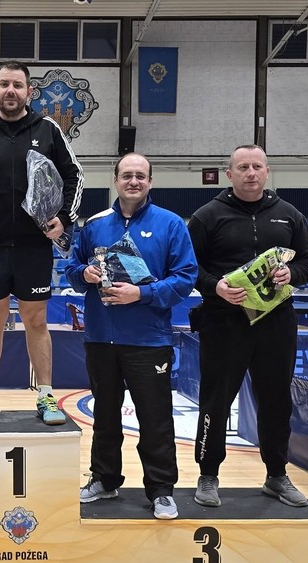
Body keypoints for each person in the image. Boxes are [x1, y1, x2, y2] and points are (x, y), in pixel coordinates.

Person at [65, 153, 197, 520]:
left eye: (140, 176)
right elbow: (72, 269)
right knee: (105, 416)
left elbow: (185, 277)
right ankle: (104, 480)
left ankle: (161, 490)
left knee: (155, 419)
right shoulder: (94, 225)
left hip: (149, 341)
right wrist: (84, 274)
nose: (133, 181)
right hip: (100, 339)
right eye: (127, 175)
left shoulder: (171, 224)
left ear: (150, 182)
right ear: (115, 180)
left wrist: (141, 293)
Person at [0, 61, 83, 425]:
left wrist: (65, 218)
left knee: (36, 321)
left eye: (18, 85)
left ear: (29, 91)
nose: (11, 91)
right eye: (5, 84)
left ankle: (46, 395)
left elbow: (75, 176)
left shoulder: (48, 129)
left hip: (33, 246)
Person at [188, 145, 308, 508]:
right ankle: (208, 475)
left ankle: (276, 475)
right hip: (223, 322)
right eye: (243, 167)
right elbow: (188, 267)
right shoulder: (207, 216)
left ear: (267, 171)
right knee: (215, 400)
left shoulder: (289, 215)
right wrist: (215, 286)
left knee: (276, 401)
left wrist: (292, 273)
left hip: (276, 323)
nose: (250, 173)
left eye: (257, 166)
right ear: (229, 174)